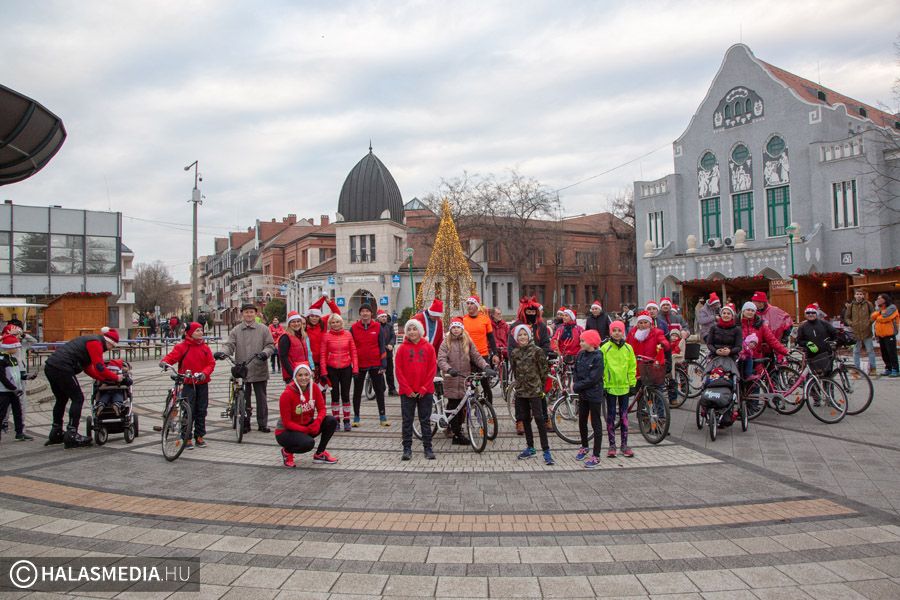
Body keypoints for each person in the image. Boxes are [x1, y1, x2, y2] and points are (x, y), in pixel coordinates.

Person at [44, 327, 124, 448]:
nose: (111, 349)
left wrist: (103, 379)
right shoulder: (96, 343)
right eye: (112, 346)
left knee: (61, 399)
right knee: (78, 398)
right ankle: (72, 434)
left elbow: (88, 368)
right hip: (63, 367)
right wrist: (116, 378)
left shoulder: (90, 341)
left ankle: (56, 432)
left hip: (51, 366)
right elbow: (100, 367)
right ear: (108, 342)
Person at [215, 304, 275, 433]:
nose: (249, 314)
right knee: (244, 398)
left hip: (259, 368)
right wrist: (223, 353)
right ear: (242, 314)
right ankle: (245, 422)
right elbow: (230, 345)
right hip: (242, 370)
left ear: (256, 314)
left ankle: (262, 423)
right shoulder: (236, 330)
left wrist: (265, 353)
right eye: (246, 312)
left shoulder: (263, 329)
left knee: (261, 399)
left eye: (251, 312)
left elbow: (270, 345)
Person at [159, 322, 215, 448]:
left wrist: (204, 373)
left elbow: (211, 363)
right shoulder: (182, 347)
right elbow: (172, 357)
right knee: (188, 410)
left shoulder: (205, 348)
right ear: (189, 333)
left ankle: (199, 436)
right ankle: (186, 437)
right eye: (197, 331)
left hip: (202, 383)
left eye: (201, 330)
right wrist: (164, 362)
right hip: (188, 383)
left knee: (201, 410)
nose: (200, 333)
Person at [275, 363, 339, 468]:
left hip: (306, 425)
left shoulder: (314, 387)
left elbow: (322, 409)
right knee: (308, 444)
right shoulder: (287, 394)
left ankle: (320, 454)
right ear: (295, 377)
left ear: (310, 376)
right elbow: (287, 423)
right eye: (300, 375)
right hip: (286, 431)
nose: (303, 378)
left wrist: (317, 422)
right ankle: (287, 451)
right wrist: (305, 430)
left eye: (306, 375)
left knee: (331, 421)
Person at [437, 317, 488, 445]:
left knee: (462, 407)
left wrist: (486, 366)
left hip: (465, 379)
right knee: (454, 406)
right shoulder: (446, 343)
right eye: (453, 327)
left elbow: (476, 356)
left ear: (462, 329)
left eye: (458, 327)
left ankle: (457, 429)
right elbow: (441, 360)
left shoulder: (468, 342)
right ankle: (456, 434)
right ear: (450, 329)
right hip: (452, 379)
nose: (456, 329)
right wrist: (448, 369)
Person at [507, 296, 552, 436]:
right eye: (528, 312)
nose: (531, 315)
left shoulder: (541, 326)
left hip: (537, 365)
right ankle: (520, 420)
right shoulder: (516, 326)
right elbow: (511, 347)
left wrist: (540, 357)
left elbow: (545, 344)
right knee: (520, 394)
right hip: (521, 365)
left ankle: (545, 418)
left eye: (533, 312)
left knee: (541, 393)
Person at [510, 324, 553, 465]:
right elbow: (515, 371)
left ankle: (546, 450)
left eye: (524, 334)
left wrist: (539, 385)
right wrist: (519, 385)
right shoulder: (515, 353)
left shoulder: (537, 351)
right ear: (516, 338)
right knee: (525, 418)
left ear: (529, 336)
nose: (522, 337)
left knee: (540, 419)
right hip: (521, 391)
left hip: (535, 390)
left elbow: (543, 370)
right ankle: (530, 447)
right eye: (520, 335)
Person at [395, 319, 437, 460]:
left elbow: (432, 369)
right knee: (407, 421)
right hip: (408, 392)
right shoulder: (401, 349)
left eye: (414, 329)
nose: (412, 332)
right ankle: (407, 449)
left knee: (425, 421)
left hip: (425, 391)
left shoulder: (429, 347)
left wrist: (424, 388)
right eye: (409, 329)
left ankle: (428, 448)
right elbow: (399, 371)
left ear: (420, 331)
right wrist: (407, 389)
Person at [600, 320, 636, 459]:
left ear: (623, 332)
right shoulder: (605, 348)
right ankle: (612, 445)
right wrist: (603, 383)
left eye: (619, 330)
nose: (616, 333)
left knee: (624, 416)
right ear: (610, 332)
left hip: (624, 387)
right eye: (614, 330)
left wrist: (632, 383)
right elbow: (601, 366)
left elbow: (632, 366)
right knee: (610, 417)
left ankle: (625, 445)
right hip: (610, 386)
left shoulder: (628, 348)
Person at [351, 303, 388, 427]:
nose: (365, 313)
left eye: (367, 311)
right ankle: (356, 417)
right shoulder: (354, 328)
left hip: (376, 364)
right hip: (359, 365)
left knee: (379, 391)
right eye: (363, 311)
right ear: (360, 313)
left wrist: (383, 365)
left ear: (371, 313)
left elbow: (382, 346)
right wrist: (353, 365)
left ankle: (382, 416)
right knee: (357, 392)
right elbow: (351, 347)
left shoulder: (378, 327)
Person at [572, 329, 604, 468]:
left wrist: (577, 386)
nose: (580, 343)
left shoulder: (598, 356)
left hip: (594, 394)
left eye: (583, 340)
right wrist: (575, 382)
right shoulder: (580, 354)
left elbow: (594, 378)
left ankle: (596, 455)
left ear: (591, 342)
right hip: (583, 394)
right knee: (582, 421)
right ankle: (584, 446)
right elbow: (576, 371)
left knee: (596, 423)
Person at [320, 313, 358, 430]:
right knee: (334, 395)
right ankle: (336, 420)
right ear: (330, 324)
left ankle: (347, 420)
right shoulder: (326, 336)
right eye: (332, 322)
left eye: (337, 322)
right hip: (332, 369)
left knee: (346, 395)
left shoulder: (348, 334)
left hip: (346, 368)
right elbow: (323, 354)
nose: (335, 324)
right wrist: (323, 371)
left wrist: (355, 368)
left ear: (341, 323)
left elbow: (354, 352)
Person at [462, 295, 499, 406]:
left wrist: (495, 354)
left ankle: (489, 410)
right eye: (467, 303)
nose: (469, 306)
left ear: (477, 306)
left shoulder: (485, 319)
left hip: (482, 355)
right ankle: (468, 406)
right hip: (467, 356)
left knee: (485, 384)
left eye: (472, 303)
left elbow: (491, 338)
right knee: (467, 382)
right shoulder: (463, 320)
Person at [739, 302, 788, 379]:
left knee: (755, 385)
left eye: (752, 310)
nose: (750, 312)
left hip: (756, 359)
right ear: (743, 311)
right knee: (740, 385)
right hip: (740, 359)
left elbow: (772, 340)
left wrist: (784, 351)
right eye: (748, 310)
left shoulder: (761, 325)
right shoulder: (736, 324)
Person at [0, 334, 32, 442]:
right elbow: (3, 378)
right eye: (15, 347)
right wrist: (13, 388)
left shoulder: (13, 359)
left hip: (14, 390)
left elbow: (17, 374)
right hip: (4, 391)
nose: (17, 349)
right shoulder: (1, 359)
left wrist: (27, 376)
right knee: (1, 413)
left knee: (18, 412)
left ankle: (19, 433)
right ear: (9, 347)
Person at [306, 293, 342, 383]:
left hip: (323, 360)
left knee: (322, 386)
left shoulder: (323, 322)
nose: (314, 318)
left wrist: (329, 302)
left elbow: (337, 314)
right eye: (312, 316)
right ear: (308, 317)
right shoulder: (304, 326)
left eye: (316, 316)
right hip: (309, 361)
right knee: (310, 386)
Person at [842, 290, 877, 375]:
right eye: (857, 294)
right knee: (856, 351)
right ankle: (857, 369)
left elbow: (874, 314)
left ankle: (873, 368)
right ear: (854, 295)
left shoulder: (869, 304)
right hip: (855, 332)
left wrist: (869, 322)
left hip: (867, 331)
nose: (859, 296)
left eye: (861, 294)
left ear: (863, 296)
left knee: (870, 350)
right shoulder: (851, 306)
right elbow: (846, 317)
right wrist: (851, 323)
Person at [705, 304, 742, 373]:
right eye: (724, 313)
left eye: (728, 313)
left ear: (732, 316)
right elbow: (709, 343)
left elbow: (739, 346)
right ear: (721, 315)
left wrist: (730, 351)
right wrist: (716, 351)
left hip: (731, 357)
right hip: (715, 356)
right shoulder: (714, 328)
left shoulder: (737, 330)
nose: (726, 315)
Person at [278, 311, 313, 383]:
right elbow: (283, 358)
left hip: (303, 372)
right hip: (293, 373)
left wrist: (309, 369)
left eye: (298, 321)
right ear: (289, 324)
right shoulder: (286, 337)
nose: (296, 324)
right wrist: (293, 374)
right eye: (293, 322)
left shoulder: (302, 336)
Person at [871, 294, 898, 377]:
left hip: (889, 334)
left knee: (891, 352)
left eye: (880, 298)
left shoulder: (892, 307)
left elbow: (885, 317)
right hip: (881, 335)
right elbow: (873, 316)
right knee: (884, 353)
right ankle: (888, 368)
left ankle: (895, 369)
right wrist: (879, 312)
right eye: (877, 298)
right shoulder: (880, 309)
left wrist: (878, 316)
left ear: (885, 299)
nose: (878, 300)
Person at [378, 310, 398, 396]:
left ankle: (392, 389)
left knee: (389, 372)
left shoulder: (389, 326)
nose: (384, 318)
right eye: (382, 317)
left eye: (385, 317)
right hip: (379, 353)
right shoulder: (376, 326)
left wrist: (391, 344)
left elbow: (393, 336)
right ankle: (380, 388)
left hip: (388, 352)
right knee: (379, 371)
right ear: (378, 318)